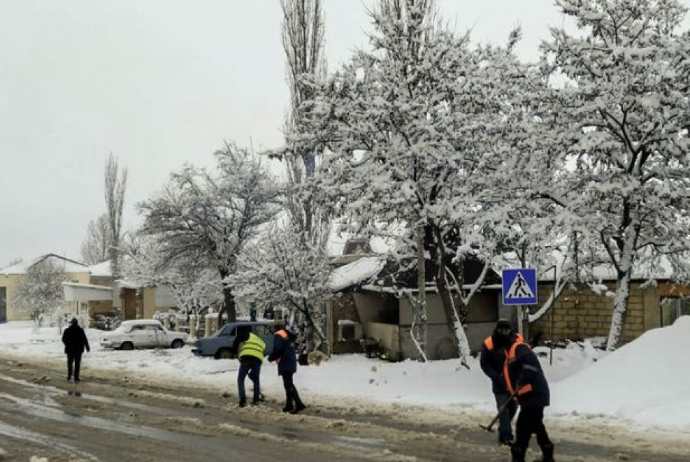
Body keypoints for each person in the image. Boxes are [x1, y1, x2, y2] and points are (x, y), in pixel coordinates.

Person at [504, 334, 555, 462]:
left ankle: (519, 454)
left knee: (525, 426)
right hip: (530, 396)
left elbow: (530, 367)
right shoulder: (512, 353)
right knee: (533, 425)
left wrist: (521, 381)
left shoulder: (519, 348)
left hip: (535, 395)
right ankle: (545, 453)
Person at [480, 319, 522, 446]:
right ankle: (506, 437)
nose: (504, 332)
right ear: (497, 330)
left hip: (515, 382)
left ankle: (503, 428)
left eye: (506, 329)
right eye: (501, 330)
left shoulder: (517, 340)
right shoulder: (489, 343)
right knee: (503, 409)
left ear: (510, 330)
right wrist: (495, 376)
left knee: (513, 408)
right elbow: (484, 364)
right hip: (500, 383)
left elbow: (525, 356)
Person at [267, 323, 306, 414]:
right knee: (288, 384)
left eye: (272, 329)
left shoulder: (278, 335)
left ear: (275, 328)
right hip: (291, 361)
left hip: (285, 362)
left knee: (288, 384)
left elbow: (278, 349)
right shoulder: (288, 334)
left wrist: (270, 358)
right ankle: (289, 405)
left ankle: (298, 403)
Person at [232, 325, 265, 407]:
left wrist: (235, 353)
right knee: (256, 379)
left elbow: (235, 343)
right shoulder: (258, 339)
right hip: (258, 359)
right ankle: (256, 399)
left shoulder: (244, 334)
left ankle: (242, 400)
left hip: (246, 358)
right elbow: (263, 347)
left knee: (241, 379)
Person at [61, 318, 90, 382]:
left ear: (71, 323)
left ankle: (69, 376)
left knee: (69, 363)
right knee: (77, 364)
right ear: (77, 323)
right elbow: (84, 339)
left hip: (69, 350)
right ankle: (76, 377)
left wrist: (68, 344)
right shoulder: (80, 330)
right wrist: (87, 347)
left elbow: (63, 339)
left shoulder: (67, 330)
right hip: (78, 350)